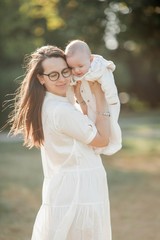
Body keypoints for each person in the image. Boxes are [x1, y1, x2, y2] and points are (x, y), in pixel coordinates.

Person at [8, 45, 112, 240]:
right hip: (79, 194)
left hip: (69, 189)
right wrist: (100, 95)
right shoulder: (59, 110)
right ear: (41, 78)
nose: (63, 78)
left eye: (65, 71)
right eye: (53, 75)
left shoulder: (51, 103)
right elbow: (102, 139)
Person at [65, 40, 122, 156]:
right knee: (92, 122)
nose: (77, 70)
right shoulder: (76, 74)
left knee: (111, 124)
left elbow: (109, 84)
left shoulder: (99, 68)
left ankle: (114, 143)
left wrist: (112, 101)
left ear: (90, 59)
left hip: (107, 102)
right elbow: (71, 88)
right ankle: (98, 147)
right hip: (90, 103)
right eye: (72, 67)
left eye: (80, 66)